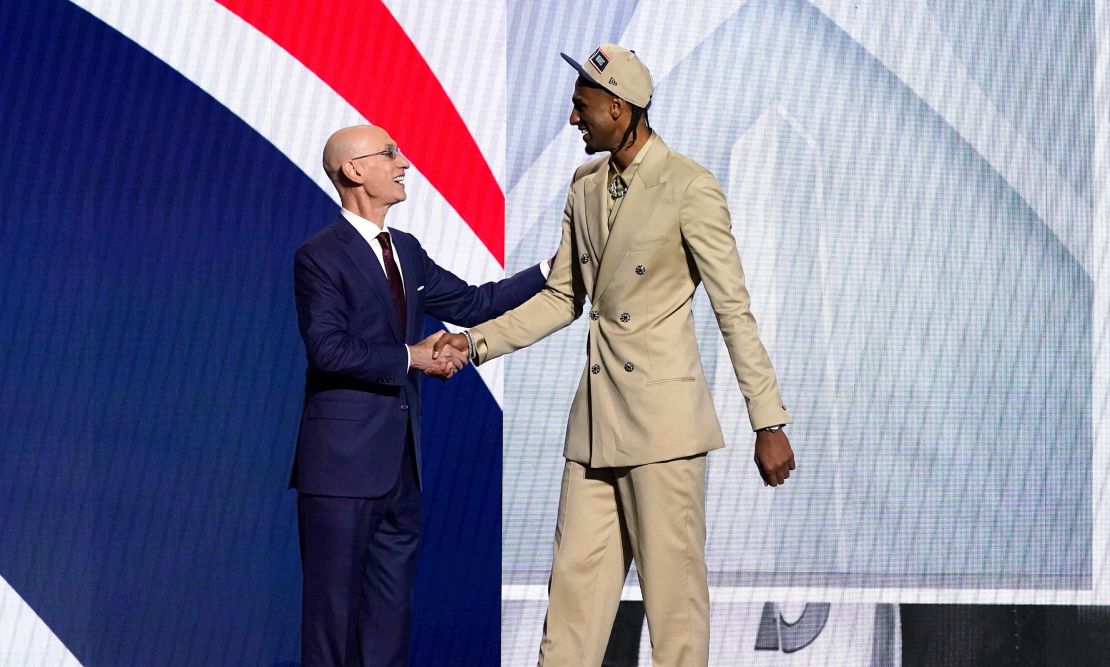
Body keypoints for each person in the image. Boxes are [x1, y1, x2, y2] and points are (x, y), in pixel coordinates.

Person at [435, 44, 796, 666]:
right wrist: (474, 342)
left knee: (674, 613)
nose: (574, 120)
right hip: (596, 426)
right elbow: (562, 297)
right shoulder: (584, 186)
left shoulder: (689, 185)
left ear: (618, 107)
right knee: (570, 608)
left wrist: (768, 421)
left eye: (582, 108)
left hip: (663, 427)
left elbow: (732, 309)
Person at [291, 124, 548, 666]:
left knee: (389, 619)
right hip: (340, 471)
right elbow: (329, 350)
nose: (405, 162)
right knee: (331, 620)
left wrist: (556, 267)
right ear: (355, 170)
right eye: (390, 153)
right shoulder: (319, 256)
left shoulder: (406, 251)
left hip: (401, 468)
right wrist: (413, 357)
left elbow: (477, 304)